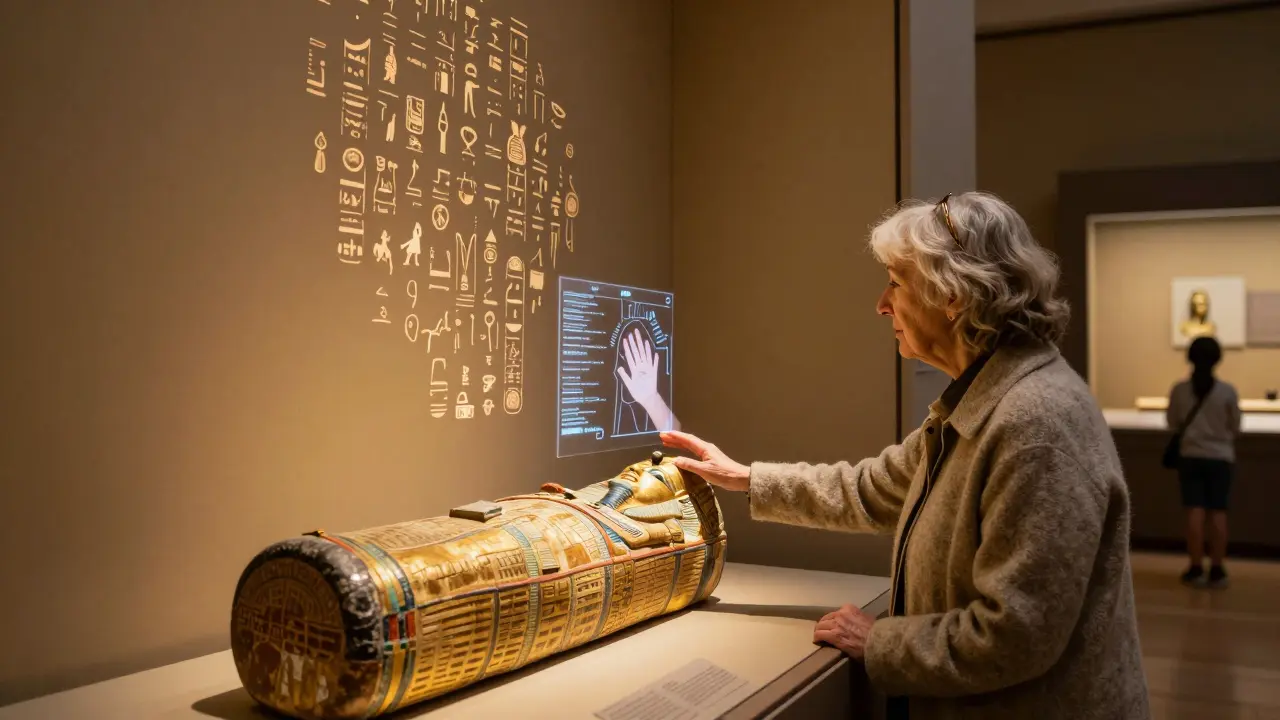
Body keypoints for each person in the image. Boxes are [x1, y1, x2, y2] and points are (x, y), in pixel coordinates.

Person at [661, 192, 1150, 719]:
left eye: (896, 283)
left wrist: (880, 641)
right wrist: (745, 478)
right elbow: (874, 488)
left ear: (952, 296)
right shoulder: (987, 400)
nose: (882, 304)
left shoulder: (1036, 424)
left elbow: (1017, 634)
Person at [1166, 335, 1240, 588]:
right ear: (1217, 360)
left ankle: (1195, 566)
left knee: (1194, 511)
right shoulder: (1227, 392)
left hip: (1190, 456)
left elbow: (1172, 422)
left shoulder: (1179, 390)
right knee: (1218, 511)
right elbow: (1235, 426)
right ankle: (1217, 568)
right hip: (1220, 457)